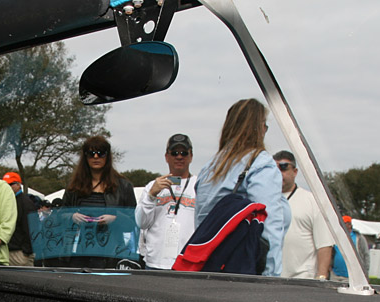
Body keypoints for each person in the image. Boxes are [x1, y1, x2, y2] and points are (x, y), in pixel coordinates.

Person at [194, 99, 288, 276]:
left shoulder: (209, 168)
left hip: (209, 268)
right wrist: (271, 279)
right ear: (257, 127)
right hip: (243, 274)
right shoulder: (260, 164)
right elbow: (268, 227)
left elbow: (201, 224)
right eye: (264, 126)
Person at [59, 135, 135, 268]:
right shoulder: (74, 186)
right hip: (78, 254)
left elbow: (133, 221)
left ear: (107, 156)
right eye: (91, 153)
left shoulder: (123, 186)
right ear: (85, 157)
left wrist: (115, 219)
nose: (95, 157)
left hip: (111, 254)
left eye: (100, 153)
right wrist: (72, 217)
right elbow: (59, 216)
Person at [135, 133, 198, 269]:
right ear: (166, 157)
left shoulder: (199, 186)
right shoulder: (152, 186)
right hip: (155, 264)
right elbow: (141, 223)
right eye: (174, 153)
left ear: (191, 156)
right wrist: (151, 195)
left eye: (184, 153)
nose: (179, 156)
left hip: (188, 264)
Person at [273, 150, 333, 279]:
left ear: (295, 172)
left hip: (303, 279)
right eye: (274, 168)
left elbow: (324, 245)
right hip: (270, 277)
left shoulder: (313, 201)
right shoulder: (265, 200)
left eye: (284, 167)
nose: (279, 172)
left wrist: (321, 276)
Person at [2, 171, 36, 267]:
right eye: (5, 185)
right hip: (9, 251)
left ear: (18, 185)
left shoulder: (25, 203)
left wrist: (26, 252)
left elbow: (31, 229)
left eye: (10, 184)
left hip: (19, 253)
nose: (7, 187)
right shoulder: (9, 201)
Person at [330, 215, 369, 282]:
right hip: (335, 275)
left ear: (349, 225)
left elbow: (366, 254)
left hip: (352, 276)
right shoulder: (335, 236)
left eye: (344, 223)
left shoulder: (358, 238)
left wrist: (365, 271)